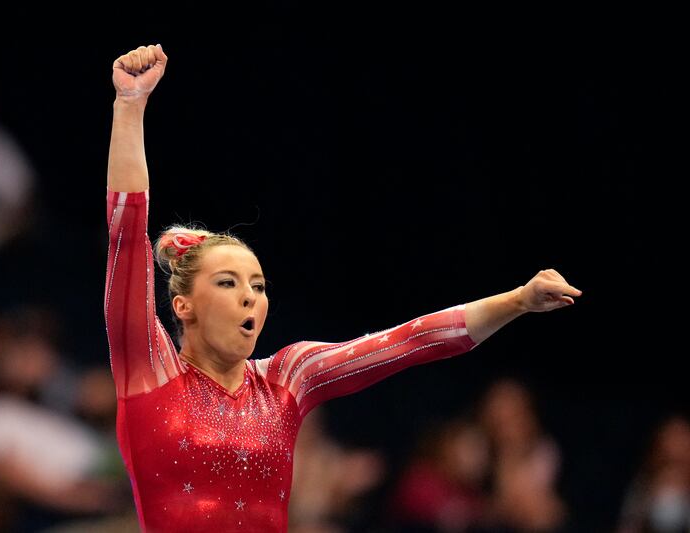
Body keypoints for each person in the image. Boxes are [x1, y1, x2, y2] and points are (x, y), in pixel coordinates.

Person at [104, 43, 583, 533]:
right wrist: (130, 105)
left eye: (259, 285)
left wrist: (518, 300)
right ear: (182, 305)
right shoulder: (150, 370)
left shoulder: (287, 379)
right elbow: (127, 237)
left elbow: (410, 341)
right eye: (228, 283)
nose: (251, 296)